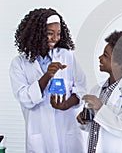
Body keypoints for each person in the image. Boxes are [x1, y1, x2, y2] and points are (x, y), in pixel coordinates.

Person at [9, 8, 87, 153]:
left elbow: (81, 89)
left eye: (58, 34)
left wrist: (66, 104)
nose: (55, 38)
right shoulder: (19, 64)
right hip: (40, 135)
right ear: (36, 34)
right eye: (50, 33)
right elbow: (24, 98)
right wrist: (47, 76)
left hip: (67, 133)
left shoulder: (67, 57)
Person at [76, 31, 122, 153]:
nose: (100, 58)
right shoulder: (97, 90)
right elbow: (96, 127)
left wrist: (100, 107)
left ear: (119, 63)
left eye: (105, 55)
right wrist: (84, 120)